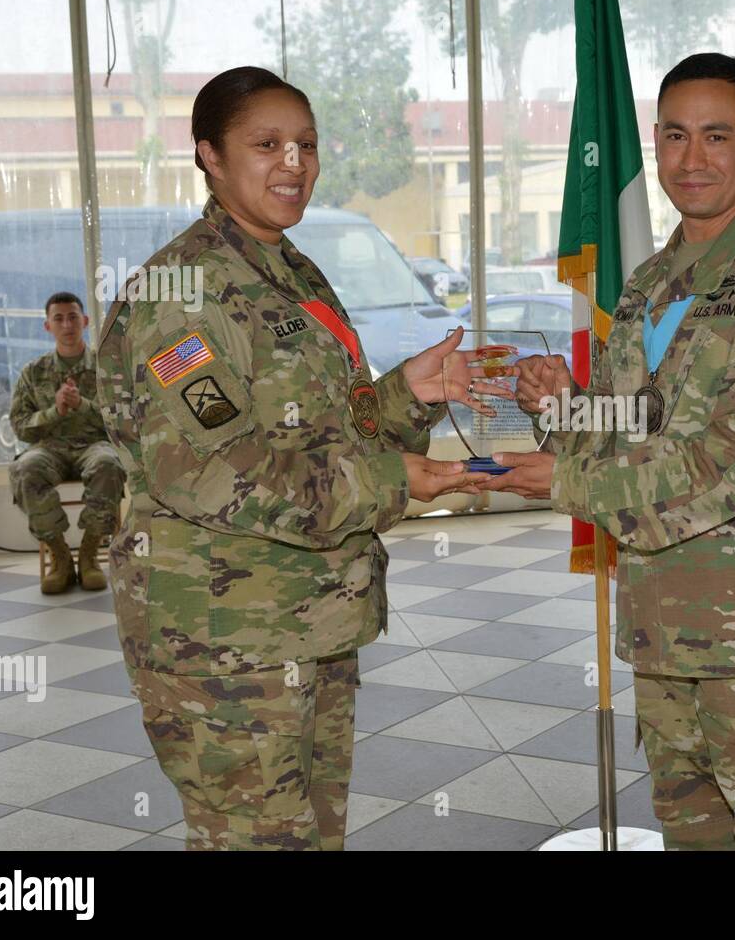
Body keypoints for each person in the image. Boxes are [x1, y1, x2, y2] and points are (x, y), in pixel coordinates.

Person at [95, 66, 506, 850]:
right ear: (209, 156)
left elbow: (322, 432)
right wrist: (392, 480)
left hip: (306, 620)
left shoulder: (287, 270)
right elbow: (213, 472)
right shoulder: (185, 292)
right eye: (267, 144)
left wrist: (405, 396)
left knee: (311, 838)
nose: (294, 163)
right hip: (225, 641)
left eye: (306, 145)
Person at [485, 53, 735, 850]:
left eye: (716, 136)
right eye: (673, 135)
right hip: (664, 625)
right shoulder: (653, 281)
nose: (691, 159)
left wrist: (567, 481)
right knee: (691, 833)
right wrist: (560, 406)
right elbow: (643, 425)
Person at [9, 291, 124, 594]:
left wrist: (82, 405)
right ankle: (60, 557)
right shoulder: (33, 373)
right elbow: (21, 427)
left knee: (109, 464)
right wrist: (54, 411)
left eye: (73, 316)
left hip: (93, 444)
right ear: (48, 326)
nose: (67, 324)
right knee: (26, 469)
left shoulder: (106, 367)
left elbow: (123, 421)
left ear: (85, 321)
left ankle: (89, 555)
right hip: (50, 448)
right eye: (58, 318)